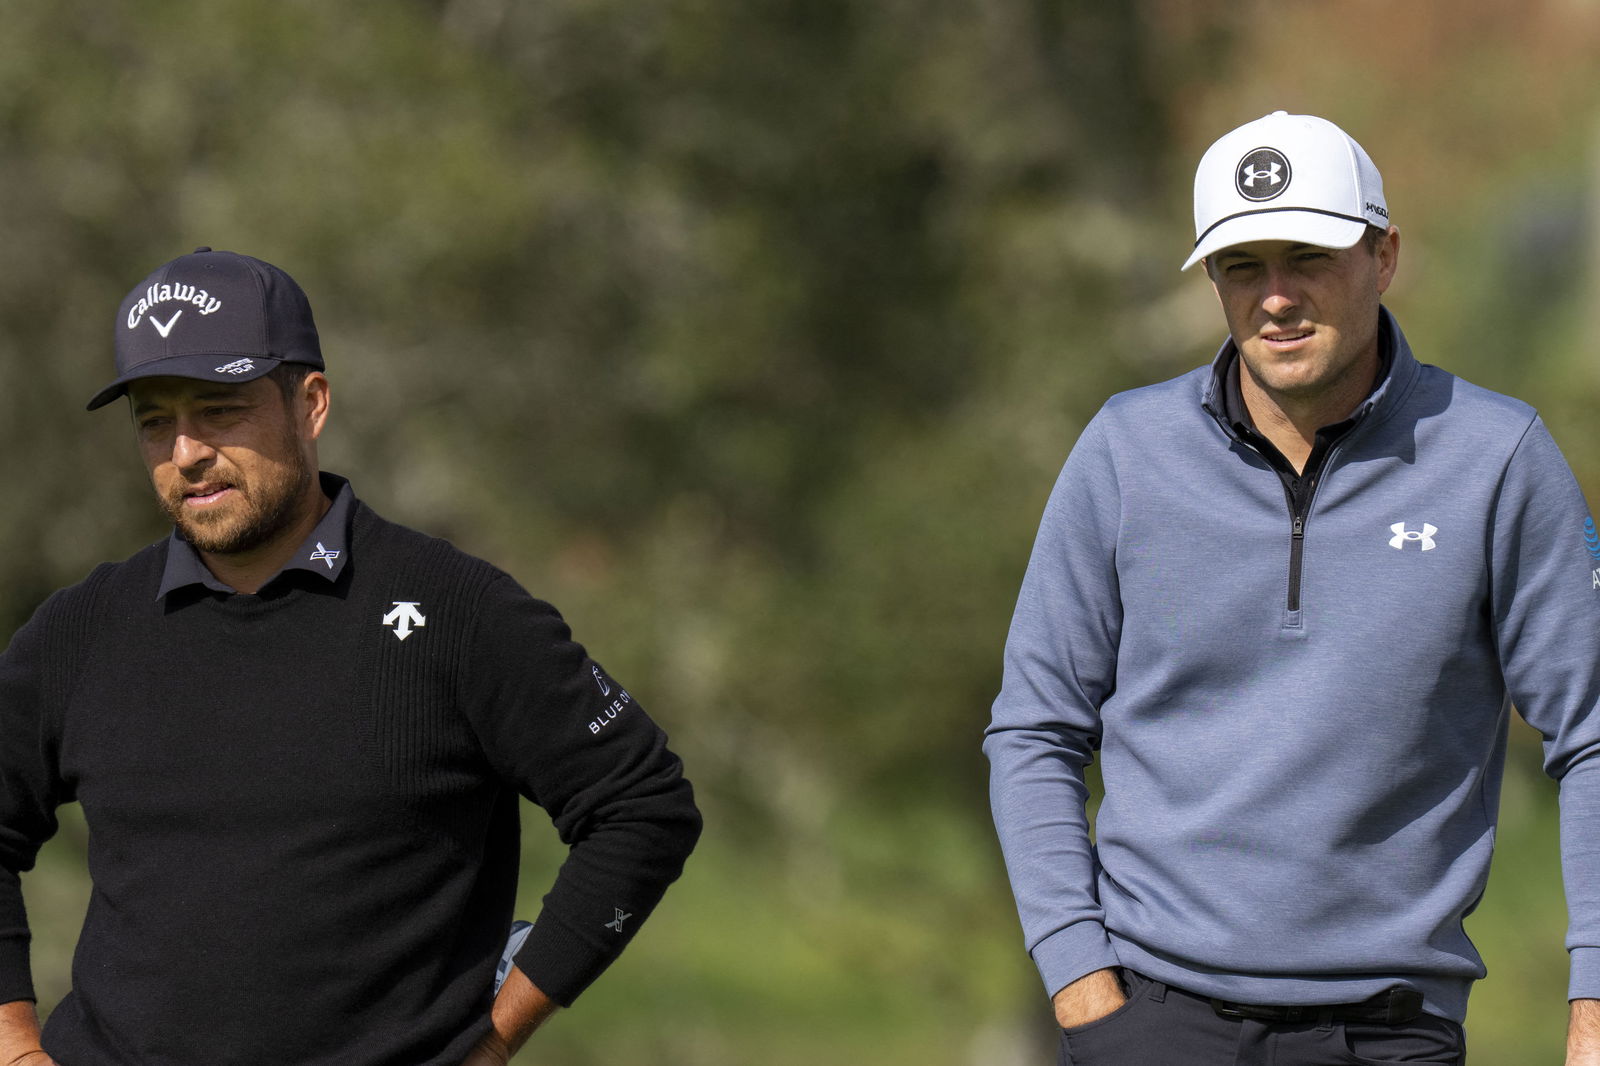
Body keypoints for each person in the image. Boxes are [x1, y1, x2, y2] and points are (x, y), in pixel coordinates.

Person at [984, 110, 1600, 1065]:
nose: (1276, 298)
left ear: (1384, 256)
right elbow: (1034, 727)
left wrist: (1594, 1005)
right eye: (1242, 266)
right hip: (1149, 1020)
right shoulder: (1125, 451)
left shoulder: (1498, 459)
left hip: (1387, 1030)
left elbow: (1593, 731)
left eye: (1308, 256)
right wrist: (1080, 986)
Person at [0, 248, 703, 1065]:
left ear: (312, 403)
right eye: (155, 419)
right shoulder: (82, 630)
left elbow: (642, 806)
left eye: (219, 409)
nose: (185, 451)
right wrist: (17, 1047)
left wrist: (494, 1041)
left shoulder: (457, 611)